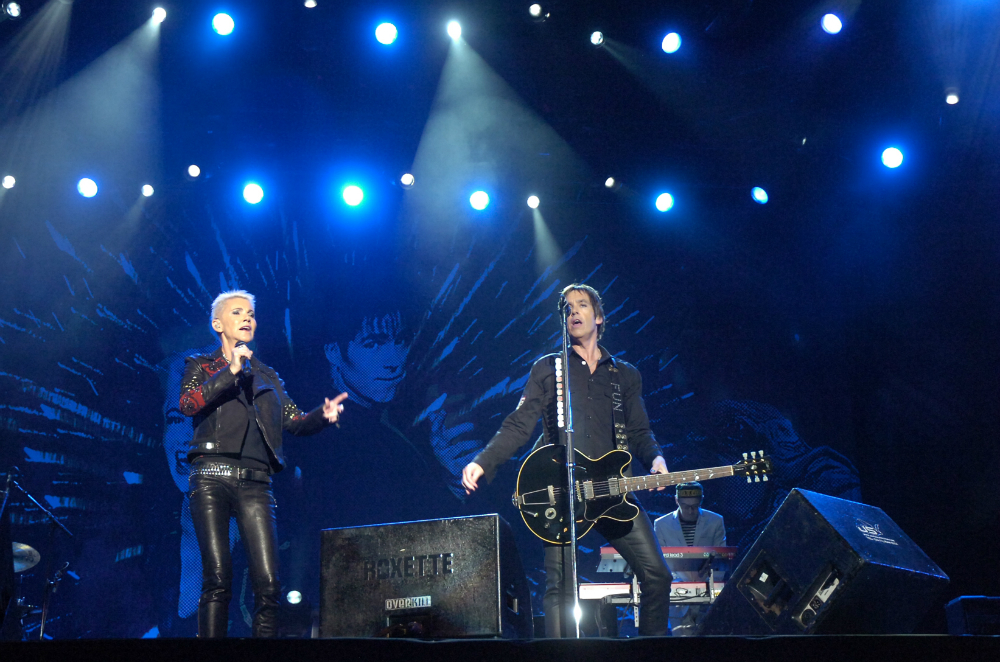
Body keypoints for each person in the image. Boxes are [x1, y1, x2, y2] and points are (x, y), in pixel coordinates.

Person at [461, 283, 673, 638]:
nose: (573, 312)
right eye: (567, 308)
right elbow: (520, 423)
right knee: (559, 588)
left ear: (599, 316)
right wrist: (484, 460)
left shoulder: (626, 375)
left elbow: (639, 431)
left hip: (612, 490)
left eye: (582, 305)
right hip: (564, 491)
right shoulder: (548, 369)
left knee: (657, 575)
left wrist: (656, 459)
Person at [178, 290, 347, 638]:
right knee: (217, 580)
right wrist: (230, 371)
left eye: (252, 314)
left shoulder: (268, 375)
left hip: (257, 483)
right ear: (217, 324)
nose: (247, 318)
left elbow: (293, 420)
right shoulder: (200, 365)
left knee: (269, 583)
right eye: (238, 312)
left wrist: (322, 416)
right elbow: (189, 403)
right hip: (211, 476)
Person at [653, 482, 726, 636]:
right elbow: (661, 561)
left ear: (702, 500)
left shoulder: (715, 521)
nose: (691, 511)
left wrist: (714, 587)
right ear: (676, 500)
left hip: (708, 593)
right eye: (686, 506)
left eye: (695, 506)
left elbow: (722, 556)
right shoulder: (662, 524)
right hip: (677, 593)